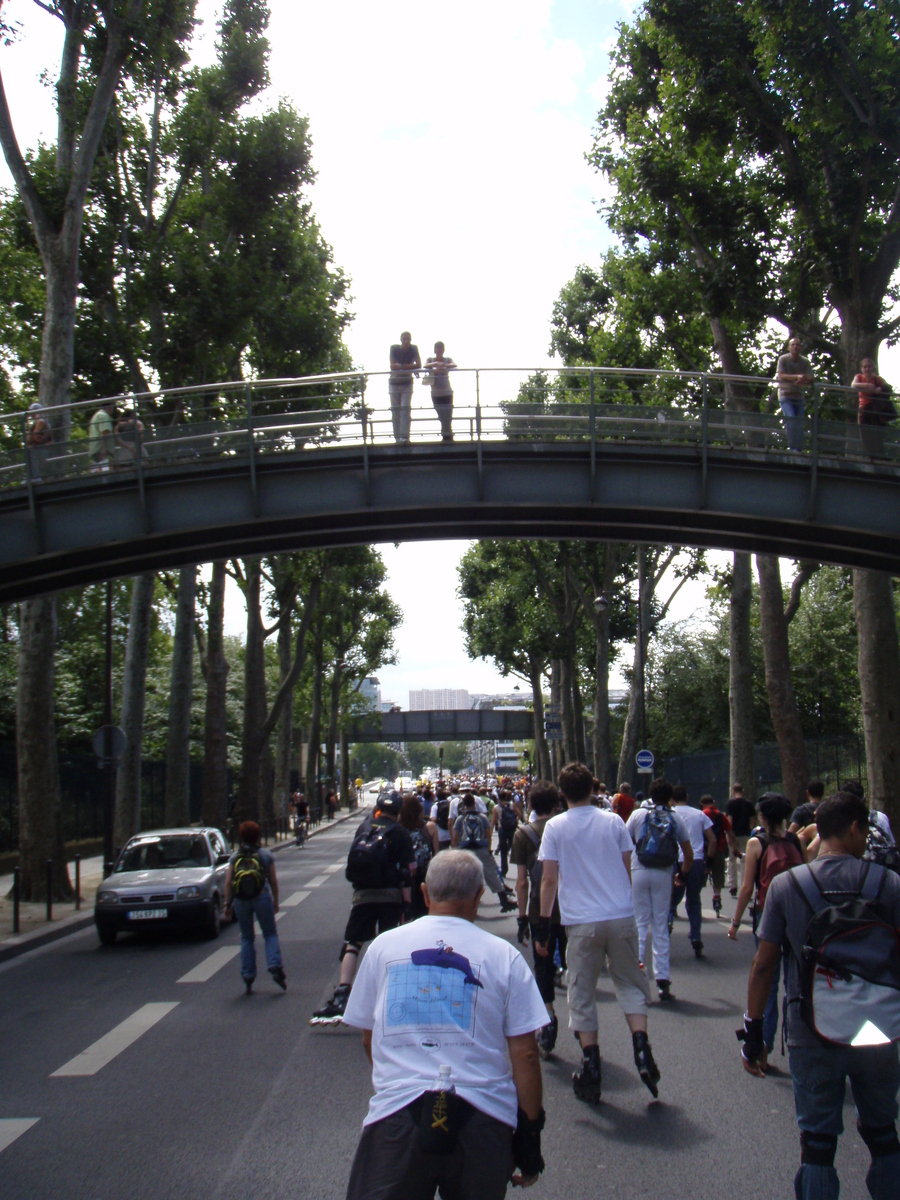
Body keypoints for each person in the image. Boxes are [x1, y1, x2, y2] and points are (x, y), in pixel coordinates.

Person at [342, 851, 548, 1200]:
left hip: (397, 1116)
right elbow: (526, 1055)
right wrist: (529, 1137)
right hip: (482, 1118)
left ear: (424, 893)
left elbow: (368, 1038)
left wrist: (398, 1076)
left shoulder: (383, 948)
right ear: (479, 896)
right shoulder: (504, 956)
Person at [740, 791, 900, 1200]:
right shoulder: (888, 884)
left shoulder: (786, 886)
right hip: (876, 1028)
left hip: (812, 1027)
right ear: (854, 828)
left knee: (817, 1144)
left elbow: (763, 965)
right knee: (883, 1133)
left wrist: (753, 1032)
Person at [536, 761, 660, 1104]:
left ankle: (591, 1062)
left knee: (582, 991)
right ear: (593, 787)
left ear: (561, 794)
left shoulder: (555, 828)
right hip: (620, 914)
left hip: (581, 921)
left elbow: (548, 880)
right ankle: (640, 1045)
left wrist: (544, 925)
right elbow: (626, 867)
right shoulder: (613, 822)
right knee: (630, 984)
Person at [310, 793, 416, 1025]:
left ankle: (342, 994)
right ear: (398, 812)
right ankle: (389, 993)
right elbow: (408, 872)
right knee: (389, 945)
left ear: (378, 808)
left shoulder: (364, 827)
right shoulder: (400, 833)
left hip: (363, 895)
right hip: (390, 896)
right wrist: (407, 905)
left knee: (353, 944)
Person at [728, 792, 805, 1066]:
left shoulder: (756, 843)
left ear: (761, 816)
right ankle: (798, 1039)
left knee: (767, 982)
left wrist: (735, 923)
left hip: (767, 915)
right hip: (796, 916)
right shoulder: (795, 841)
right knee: (794, 981)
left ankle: (763, 1046)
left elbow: (748, 887)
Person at [511, 779, 565, 1058]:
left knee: (541, 965)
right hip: (571, 907)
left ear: (530, 805)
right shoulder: (567, 828)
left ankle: (548, 1015)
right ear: (557, 804)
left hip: (539, 910)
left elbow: (521, 882)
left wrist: (521, 917)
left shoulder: (524, 835)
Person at [626, 777, 693, 1002]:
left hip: (639, 870)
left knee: (640, 923)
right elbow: (688, 853)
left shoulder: (638, 815)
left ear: (650, 795)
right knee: (660, 925)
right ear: (670, 797)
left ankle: (638, 974)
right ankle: (663, 980)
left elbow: (624, 844)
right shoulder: (675, 818)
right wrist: (682, 874)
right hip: (664, 873)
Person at [223, 820, 286, 994]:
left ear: (241, 837)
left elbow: (228, 882)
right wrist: (275, 901)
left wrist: (227, 905)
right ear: (258, 837)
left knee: (246, 937)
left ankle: (248, 974)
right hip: (262, 897)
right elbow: (273, 881)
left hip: (241, 900)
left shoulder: (235, 858)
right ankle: (274, 965)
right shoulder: (265, 855)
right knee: (270, 933)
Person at [668, 784, 716, 957]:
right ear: (687, 797)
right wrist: (708, 864)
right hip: (696, 861)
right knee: (694, 900)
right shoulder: (699, 814)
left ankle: (666, 929)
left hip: (677, 861)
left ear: (671, 799)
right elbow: (713, 840)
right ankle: (696, 936)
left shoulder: (671, 815)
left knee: (671, 900)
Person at [452, 793, 516, 912]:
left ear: (464, 805)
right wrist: (488, 848)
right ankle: (504, 899)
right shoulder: (482, 817)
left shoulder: (460, 819)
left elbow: (456, 837)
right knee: (490, 873)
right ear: (474, 804)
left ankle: (461, 902)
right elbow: (488, 834)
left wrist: (455, 850)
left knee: (463, 876)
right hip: (481, 848)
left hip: (465, 850)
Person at [399, 794, 440, 919]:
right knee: (423, 913)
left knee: (403, 912)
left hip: (403, 875)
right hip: (424, 875)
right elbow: (436, 855)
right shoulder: (430, 828)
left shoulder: (398, 829)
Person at [776, 336, 815, 452]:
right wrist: (796, 377)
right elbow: (781, 375)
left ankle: (798, 448)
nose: (795, 347)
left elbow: (811, 377)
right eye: (792, 344)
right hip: (785, 394)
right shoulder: (783, 359)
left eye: (798, 344)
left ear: (801, 348)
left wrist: (802, 380)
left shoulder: (805, 361)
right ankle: (793, 447)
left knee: (799, 422)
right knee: (791, 419)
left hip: (798, 396)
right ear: (788, 348)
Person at [701, 793, 737, 918]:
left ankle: (697, 901)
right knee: (718, 876)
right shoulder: (721, 815)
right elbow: (730, 832)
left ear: (702, 804)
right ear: (714, 802)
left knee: (702, 876)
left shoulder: (702, 815)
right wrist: (734, 847)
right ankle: (717, 899)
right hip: (719, 849)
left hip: (704, 850)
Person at [853, 357, 892, 458]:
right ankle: (870, 455)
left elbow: (888, 387)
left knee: (876, 434)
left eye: (869, 366)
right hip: (863, 408)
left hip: (874, 408)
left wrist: (880, 388)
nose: (867, 369)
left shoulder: (877, 379)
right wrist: (866, 385)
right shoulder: (859, 377)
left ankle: (878, 457)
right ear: (862, 368)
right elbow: (853, 385)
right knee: (864, 434)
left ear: (873, 367)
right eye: (865, 367)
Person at [388, 331, 421, 445]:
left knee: (405, 409)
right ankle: (397, 438)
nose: (406, 341)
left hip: (407, 382)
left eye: (408, 339)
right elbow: (392, 366)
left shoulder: (414, 348)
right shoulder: (394, 348)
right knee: (396, 411)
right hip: (394, 383)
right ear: (401, 339)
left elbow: (418, 364)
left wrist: (401, 366)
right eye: (404, 339)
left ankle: (405, 437)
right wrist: (408, 367)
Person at [726, 783, 756, 896]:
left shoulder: (730, 803)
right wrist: (749, 829)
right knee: (744, 859)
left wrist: (729, 834)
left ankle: (733, 884)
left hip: (734, 834)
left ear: (733, 792)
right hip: (745, 834)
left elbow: (730, 820)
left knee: (732, 859)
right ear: (742, 791)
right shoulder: (749, 804)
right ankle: (744, 883)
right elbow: (752, 820)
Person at [425, 341, 456, 442]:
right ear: (434, 350)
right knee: (441, 415)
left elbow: (454, 364)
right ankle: (447, 435)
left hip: (447, 392)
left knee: (448, 415)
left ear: (443, 350)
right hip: (436, 394)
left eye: (441, 348)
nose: (439, 350)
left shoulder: (447, 360)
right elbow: (425, 365)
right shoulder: (430, 360)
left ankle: (447, 436)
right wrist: (436, 364)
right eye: (437, 348)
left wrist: (443, 365)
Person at [491, 789, 519, 878]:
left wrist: (490, 832)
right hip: (511, 829)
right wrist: (515, 821)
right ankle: (521, 868)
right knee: (513, 848)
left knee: (503, 851)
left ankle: (504, 870)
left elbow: (493, 821)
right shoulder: (511, 805)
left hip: (502, 829)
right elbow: (520, 814)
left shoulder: (496, 808)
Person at [25, 401, 52, 480]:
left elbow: (40, 422)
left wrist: (34, 434)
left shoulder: (39, 419)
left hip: (37, 449)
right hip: (40, 449)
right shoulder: (44, 421)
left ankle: (35, 479)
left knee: (35, 469)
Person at [88, 400, 116, 472]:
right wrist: (104, 449)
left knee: (97, 473)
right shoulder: (104, 416)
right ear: (110, 407)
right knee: (107, 473)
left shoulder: (96, 416)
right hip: (103, 452)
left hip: (96, 449)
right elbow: (104, 432)